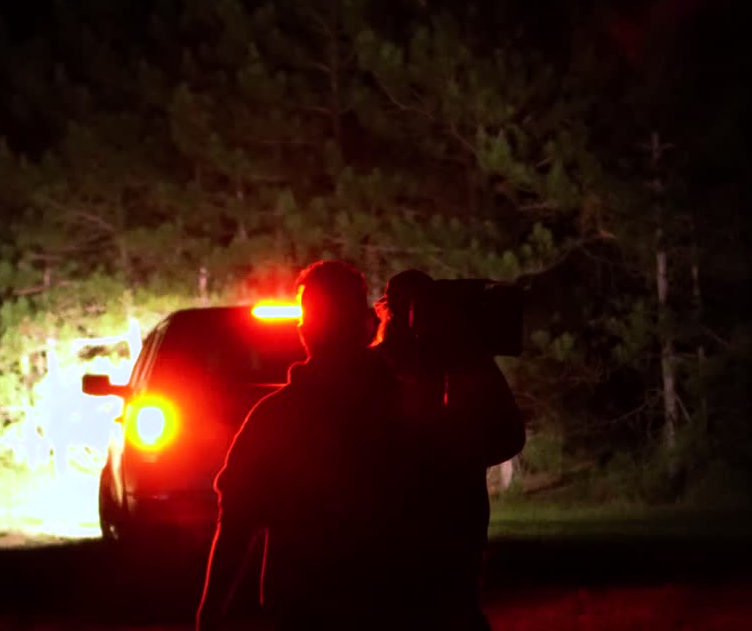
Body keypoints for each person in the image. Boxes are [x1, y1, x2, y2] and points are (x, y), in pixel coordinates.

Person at [196, 260, 426, 631]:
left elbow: (236, 525)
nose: (301, 323)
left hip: (303, 607)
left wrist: (208, 617)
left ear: (310, 327)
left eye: (305, 314)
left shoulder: (276, 416)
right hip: (391, 604)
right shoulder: (410, 404)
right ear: (362, 322)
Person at [370, 269, 526, 631]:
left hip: (447, 534)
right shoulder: (382, 369)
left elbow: (506, 435)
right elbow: (506, 436)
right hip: (416, 535)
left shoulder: (461, 361)